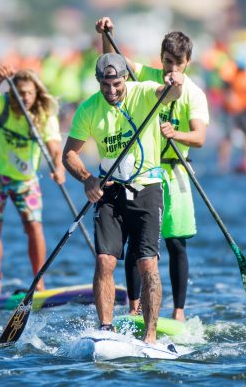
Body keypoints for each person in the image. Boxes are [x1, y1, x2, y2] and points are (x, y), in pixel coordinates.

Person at [63, 53, 183, 343]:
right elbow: (69, 154)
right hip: (110, 190)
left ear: (125, 78)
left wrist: (175, 83)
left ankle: (150, 336)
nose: (112, 91)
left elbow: (172, 93)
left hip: (147, 187)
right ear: (98, 82)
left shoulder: (143, 93)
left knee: (147, 265)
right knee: (105, 260)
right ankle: (106, 329)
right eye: (105, 86)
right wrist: (87, 179)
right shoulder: (89, 109)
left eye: (116, 84)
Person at [95, 18, 209, 322]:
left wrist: (176, 134)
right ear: (161, 59)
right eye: (168, 62)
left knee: (174, 243)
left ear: (188, 62)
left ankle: (179, 312)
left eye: (178, 64)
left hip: (175, 171)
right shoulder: (146, 76)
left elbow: (199, 138)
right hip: (143, 173)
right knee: (137, 242)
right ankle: (135, 307)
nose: (172, 69)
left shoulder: (194, 93)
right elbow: (113, 62)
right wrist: (108, 35)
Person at [0, 66, 65, 297]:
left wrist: (58, 167)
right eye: (20, 92)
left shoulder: (44, 114)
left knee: (34, 227)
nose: (24, 97)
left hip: (25, 180)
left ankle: (39, 283)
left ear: (36, 94)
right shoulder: (2, 103)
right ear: (12, 92)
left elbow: (54, 147)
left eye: (28, 93)